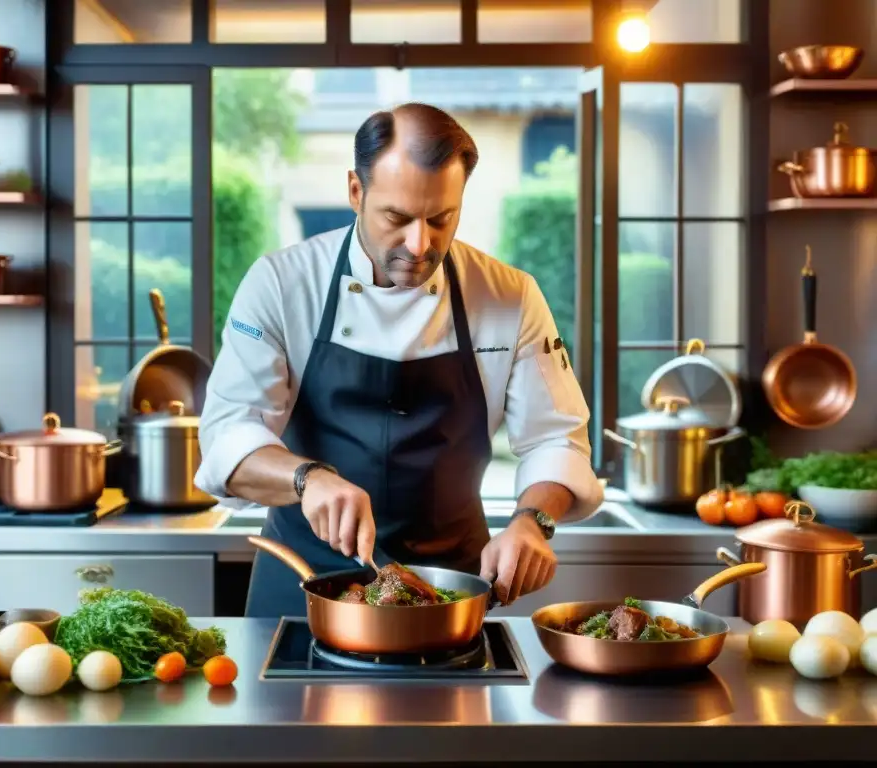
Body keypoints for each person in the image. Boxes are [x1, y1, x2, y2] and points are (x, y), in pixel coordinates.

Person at [194, 102, 603, 619]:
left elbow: (556, 438)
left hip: (452, 591)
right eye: (397, 217)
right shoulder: (281, 284)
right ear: (355, 191)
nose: (419, 243)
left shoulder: (510, 296)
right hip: (301, 586)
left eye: (441, 219)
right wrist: (307, 479)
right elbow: (228, 434)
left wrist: (532, 521)